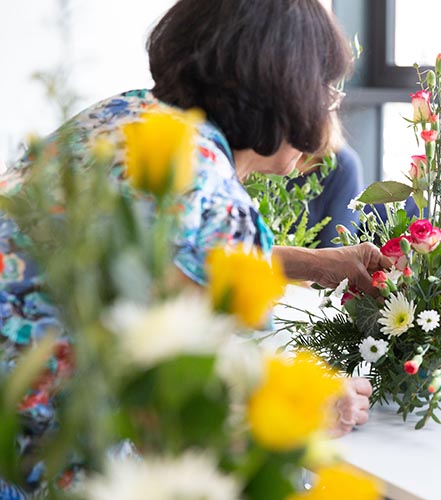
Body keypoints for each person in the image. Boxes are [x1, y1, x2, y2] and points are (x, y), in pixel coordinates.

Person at [0, 1, 386, 496]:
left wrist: (310, 262)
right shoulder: (213, 193)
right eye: (327, 88)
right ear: (286, 88)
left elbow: (154, 257)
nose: (329, 107)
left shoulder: (127, 114)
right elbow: (190, 411)